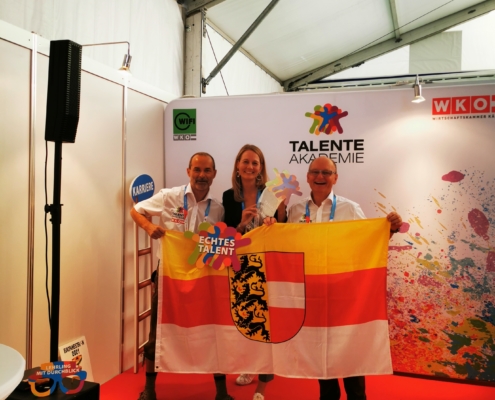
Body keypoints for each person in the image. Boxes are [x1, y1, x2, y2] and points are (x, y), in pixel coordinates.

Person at [287, 156, 403, 400]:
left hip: (344, 294)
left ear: (335, 178)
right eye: (315, 172)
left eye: (326, 173)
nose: (320, 177)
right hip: (313, 294)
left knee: (350, 353)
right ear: (308, 177)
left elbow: (369, 242)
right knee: (321, 351)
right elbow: (287, 247)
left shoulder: (350, 208)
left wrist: (390, 229)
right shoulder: (295, 210)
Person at [130, 152, 232, 400]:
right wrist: (149, 226)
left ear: (214, 174)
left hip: (204, 279)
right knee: (157, 332)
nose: (201, 175)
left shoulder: (218, 208)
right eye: (197, 169)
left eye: (207, 170)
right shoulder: (169, 197)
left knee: (213, 331)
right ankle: (149, 389)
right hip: (169, 277)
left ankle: (221, 392)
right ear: (188, 171)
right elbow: (136, 211)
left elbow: (222, 242)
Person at [222, 144, 286, 400]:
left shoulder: (271, 193)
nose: (250, 167)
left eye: (255, 163)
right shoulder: (229, 196)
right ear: (238, 166)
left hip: (267, 266)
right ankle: (248, 366)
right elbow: (227, 235)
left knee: (266, 324)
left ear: (261, 168)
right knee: (246, 321)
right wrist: (241, 224)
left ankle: (263, 384)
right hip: (240, 267)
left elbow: (283, 230)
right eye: (245, 162)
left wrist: (278, 214)